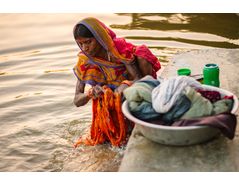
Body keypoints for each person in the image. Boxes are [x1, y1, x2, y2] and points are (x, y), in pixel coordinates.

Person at [73, 17, 161, 107]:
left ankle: (147, 95)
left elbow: (137, 78)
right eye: (80, 44)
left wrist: (126, 85)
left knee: (142, 54)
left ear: (99, 37)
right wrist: (90, 93)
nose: (84, 48)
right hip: (108, 99)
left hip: (127, 92)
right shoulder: (84, 61)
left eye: (88, 42)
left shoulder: (118, 50)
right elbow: (77, 100)